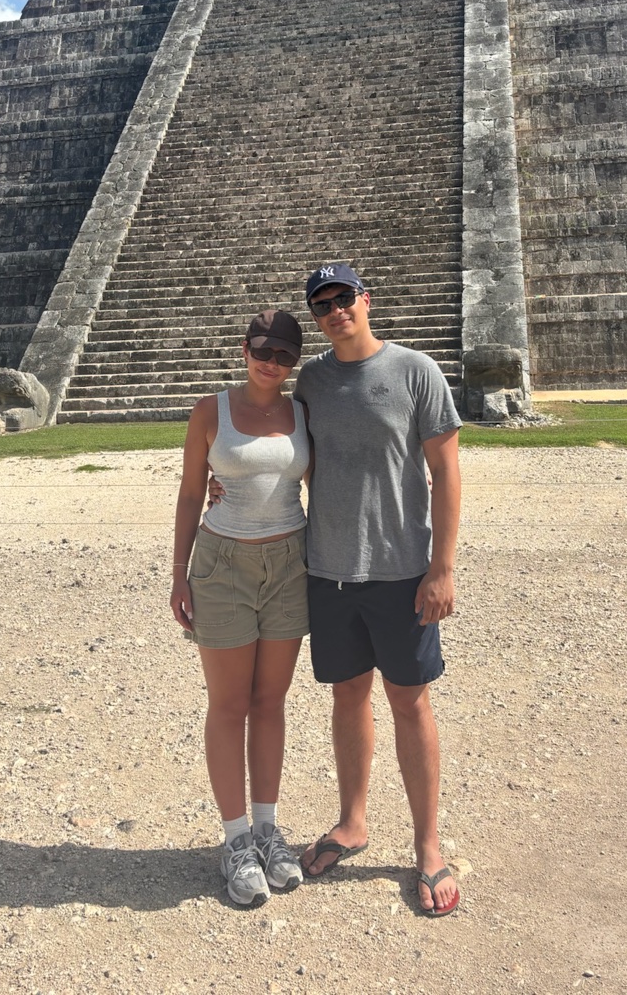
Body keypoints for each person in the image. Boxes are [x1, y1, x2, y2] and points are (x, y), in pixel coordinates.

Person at [294, 262, 463, 917]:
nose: (335, 310)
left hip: (400, 570)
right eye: (322, 304)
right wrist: (224, 481)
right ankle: (352, 822)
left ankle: (428, 844)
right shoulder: (311, 381)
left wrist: (441, 566)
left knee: (409, 702)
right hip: (330, 568)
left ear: (367, 300)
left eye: (344, 297)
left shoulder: (415, 371)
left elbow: (447, 472)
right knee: (347, 696)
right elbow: (289, 456)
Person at [170, 310, 311, 908]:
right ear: (244, 349)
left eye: (283, 355)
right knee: (229, 705)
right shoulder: (211, 411)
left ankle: (267, 830)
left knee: (270, 701)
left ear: (294, 362)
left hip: (290, 564)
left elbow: (328, 481)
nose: (271, 363)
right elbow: (190, 492)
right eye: (262, 350)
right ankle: (235, 839)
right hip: (223, 565)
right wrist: (178, 573)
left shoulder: (303, 412)